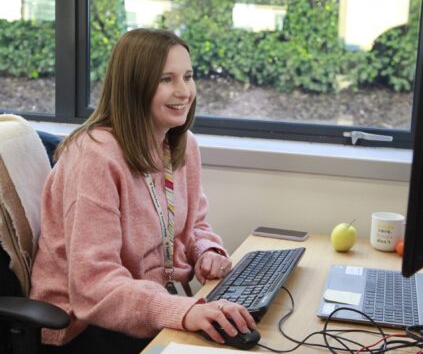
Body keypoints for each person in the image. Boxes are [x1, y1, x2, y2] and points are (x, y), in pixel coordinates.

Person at [30, 28, 256, 353]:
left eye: (188, 76)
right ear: (133, 86)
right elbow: (94, 284)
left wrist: (207, 252)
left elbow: (193, 226)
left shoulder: (180, 144)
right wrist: (183, 310)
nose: (184, 92)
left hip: (147, 304)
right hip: (83, 324)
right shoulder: (95, 156)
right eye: (166, 79)